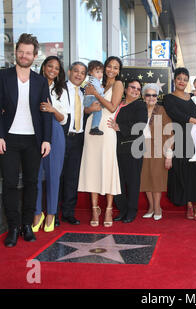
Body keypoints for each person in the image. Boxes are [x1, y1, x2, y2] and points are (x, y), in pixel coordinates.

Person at [0, 33, 52, 247]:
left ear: (34, 56)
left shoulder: (40, 81)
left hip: (33, 140)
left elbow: (45, 112)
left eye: (28, 53)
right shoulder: (2, 77)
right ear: (15, 53)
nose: (24, 56)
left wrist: (47, 139)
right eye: (21, 52)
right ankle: (13, 227)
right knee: (9, 183)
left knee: (31, 183)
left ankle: (27, 225)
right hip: (8, 138)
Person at [78, 56, 124, 227]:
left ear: (119, 71)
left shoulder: (118, 85)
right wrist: (90, 107)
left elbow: (112, 107)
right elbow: (86, 108)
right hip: (91, 128)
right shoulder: (97, 82)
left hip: (107, 128)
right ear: (104, 68)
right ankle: (95, 208)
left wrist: (96, 94)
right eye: (109, 67)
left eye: (116, 67)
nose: (111, 70)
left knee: (108, 166)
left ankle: (109, 209)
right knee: (93, 167)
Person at [164, 67, 196, 220]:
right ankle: (189, 205)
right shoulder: (168, 98)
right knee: (186, 172)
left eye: (185, 79)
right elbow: (175, 114)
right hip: (181, 138)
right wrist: (192, 120)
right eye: (179, 78)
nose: (182, 81)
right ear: (174, 80)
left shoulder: (193, 96)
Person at [32, 56, 68, 233]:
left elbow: (64, 119)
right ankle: (37, 213)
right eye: (50, 66)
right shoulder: (34, 84)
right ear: (44, 67)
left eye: (56, 68)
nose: (53, 70)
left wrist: (53, 109)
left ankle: (52, 213)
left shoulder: (61, 90)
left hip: (55, 131)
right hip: (35, 131)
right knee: (36, 174)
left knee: (53, 174)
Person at [108, 79, 148, 223]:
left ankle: (131, 212)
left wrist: (120, 127)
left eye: (138, 89)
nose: (135, 91)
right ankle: (122, 210)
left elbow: (140, 125)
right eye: (132, 87)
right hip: (116, 148)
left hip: (133, 148)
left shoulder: (140, 105)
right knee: (118, 181)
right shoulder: (118, 104)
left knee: (132, 181)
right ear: (125, 89)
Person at [57, 61, 87, 226]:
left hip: (78, 138)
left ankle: (68, 213)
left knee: (72, 177)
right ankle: (53, 213)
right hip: (62, 136)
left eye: (82, 73)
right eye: (76, 71)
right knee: (58, 176)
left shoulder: (83, 92)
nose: (78, 75)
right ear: (69, 72)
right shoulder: (59, 89)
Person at [139, 84, 174, 220]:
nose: (151, 98)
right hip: (141, 147)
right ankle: (151, 207)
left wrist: (169, 155)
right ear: (143, 97)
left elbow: (170, 132)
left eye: (154, 95)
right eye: (148, 95)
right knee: (145, 177)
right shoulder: (139, 109)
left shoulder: (161, 110)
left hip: (159, 147)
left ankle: (158, 207)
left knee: (156, 178)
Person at [83, 60, 105, 136]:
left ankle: (94, 127)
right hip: (91, 98)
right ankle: (94, 128)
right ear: (90, 72)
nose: (100, 74)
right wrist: (102, 92)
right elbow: (98, 91)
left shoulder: (94, 80)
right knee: (98, 111)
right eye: (97, 72)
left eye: (101, 72)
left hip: (89, 98)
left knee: (97, 112)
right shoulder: (94, 80)